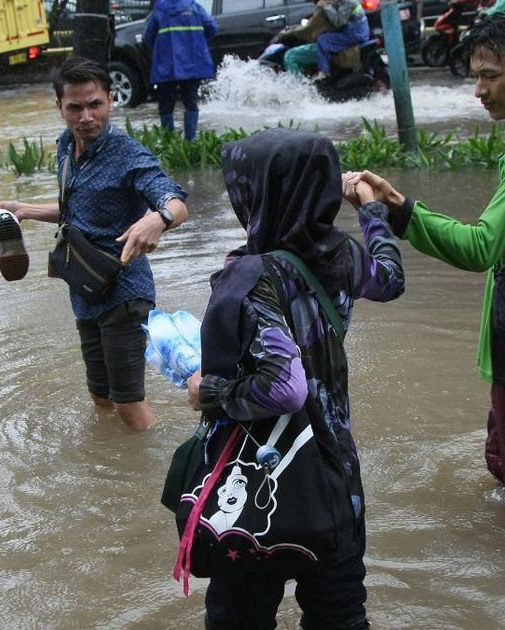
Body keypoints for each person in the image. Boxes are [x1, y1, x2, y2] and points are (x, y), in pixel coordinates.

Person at [346, 9, 505, 542]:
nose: (478, 90)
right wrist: (398, 203)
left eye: (491, 75)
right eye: (475, 76)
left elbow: (482, 247)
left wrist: (402, 212)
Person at [185, 127, 405, 628]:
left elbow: (286, 387)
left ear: (256, 194)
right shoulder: (342, 255)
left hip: (261, 480)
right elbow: (390, 278)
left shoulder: (251, 274)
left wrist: (210, 391)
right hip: (334, 477)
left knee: (239, 617)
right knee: (340, 614)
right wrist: (370, 209)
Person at [0, 56, 189, 432]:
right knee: (101, 398)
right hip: (85, 290)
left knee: (129, 404)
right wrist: (25, 209)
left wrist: (158, 219)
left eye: (95, 104)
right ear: (60, 107)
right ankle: (111, 458)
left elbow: (175, 202)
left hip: (124, 292)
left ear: (111, 101)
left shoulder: (128, 154)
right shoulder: (67, 146)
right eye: (75, 107)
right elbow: (76, 211)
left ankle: (153, 475)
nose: (86, 116)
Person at [143, 0, 219, 139]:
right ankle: (190, 142)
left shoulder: (160, 9)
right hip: (192, 63)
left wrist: (161, 49)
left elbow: (148, 36)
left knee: (166, 104)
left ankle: (169, 142)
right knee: (191, 101)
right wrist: (198, 42)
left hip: (166, 65)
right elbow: (212, 28)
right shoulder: (195, 8)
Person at [314, 0, 370, 80]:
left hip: (354, 34)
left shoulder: (348, 2)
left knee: (322, 40)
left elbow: (339, 21)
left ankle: (324, 72)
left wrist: (325, 6)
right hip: (360, 31)